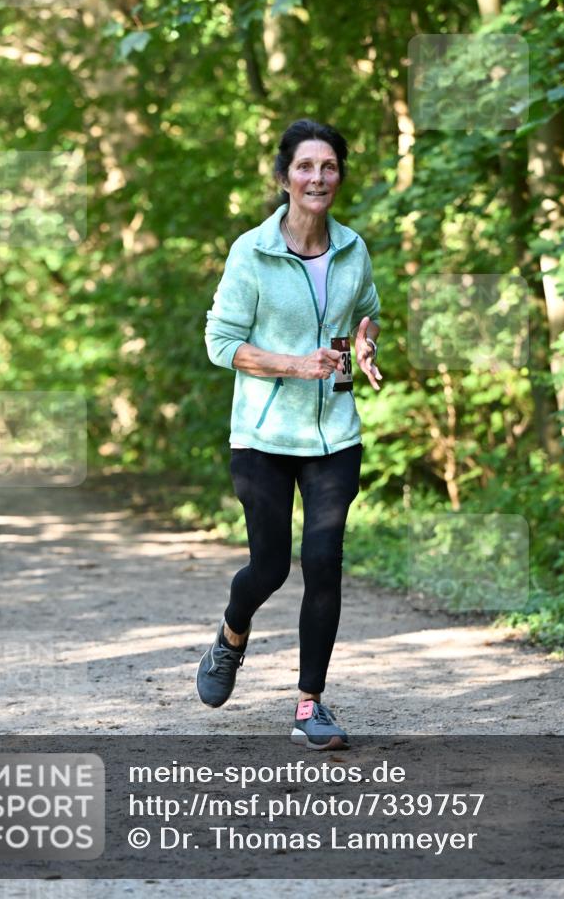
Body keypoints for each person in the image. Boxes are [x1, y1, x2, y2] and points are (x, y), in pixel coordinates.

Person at [197, 119, 381, 750]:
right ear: (285, 177)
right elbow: (221, 344)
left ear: (339, 178)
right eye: (305, 167)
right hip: (263, 435)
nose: (318, 178)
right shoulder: (252, 251)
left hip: (335, 432)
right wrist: (295, 363)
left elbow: (367, 312)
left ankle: (311, 705)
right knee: (270, 568)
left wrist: (365, 341)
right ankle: (231, 632)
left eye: (329, 167)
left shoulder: (353, 249)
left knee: (324, 562)